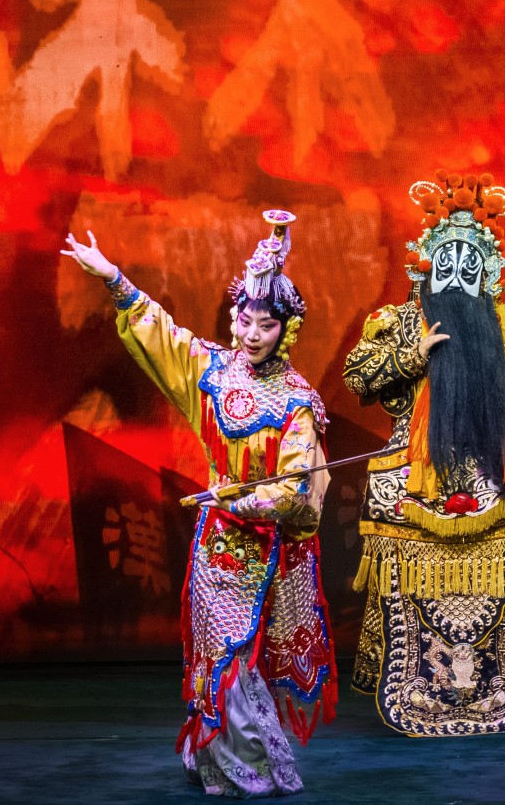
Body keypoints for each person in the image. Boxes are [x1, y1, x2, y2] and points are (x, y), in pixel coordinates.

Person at [62, 210, 336, 797]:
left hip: (266, 548)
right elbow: (161, 336)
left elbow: (297, 488)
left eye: (267, 324)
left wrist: (246, 498)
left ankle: (249, 764)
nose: (252, 333)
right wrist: (113, 279)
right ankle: (219, 756)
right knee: (217, 651)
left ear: (286, 330)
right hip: (216, 544)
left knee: (244, 656)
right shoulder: (211, 372)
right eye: (245, 319)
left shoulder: (297, 402)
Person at [342, 170, 505, 736]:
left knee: (495, 600)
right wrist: (413, 355)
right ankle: (417, 695)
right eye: (447, 263)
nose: (458, 277)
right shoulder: (401, 322)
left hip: (498, 484)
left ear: (488, 273)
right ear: (427, 267)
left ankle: (497, 695)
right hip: (412, 488)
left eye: (471, 266)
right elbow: (358, 376)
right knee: (410, 600)